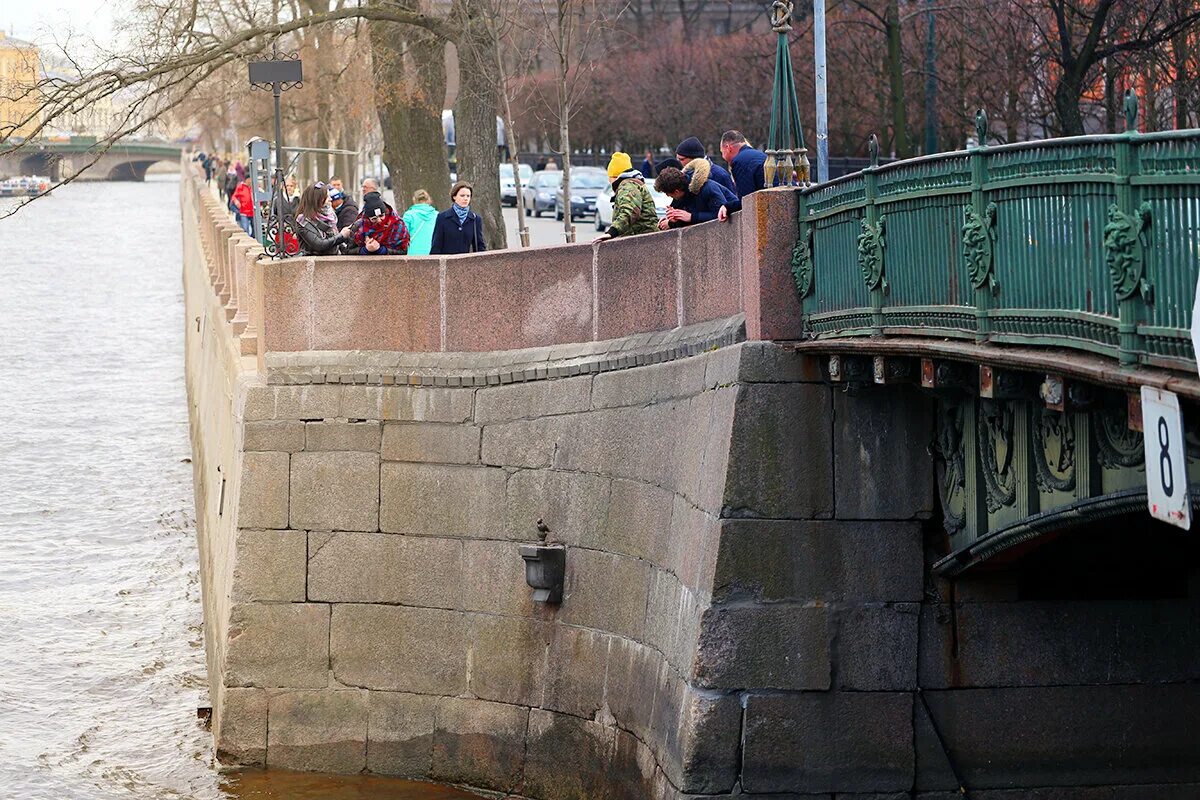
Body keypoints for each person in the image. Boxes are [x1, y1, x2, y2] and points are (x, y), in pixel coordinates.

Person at [595, 152, 658, 241]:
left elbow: (630, 211)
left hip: (642, 240)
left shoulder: (627, 186)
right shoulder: (633, 183)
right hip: (643, 238)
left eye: (609, 177)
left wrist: (612, 232)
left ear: (614, 176)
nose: (609, 181)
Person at [654, 166, 730, 229]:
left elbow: (722, 214)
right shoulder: (682, 192)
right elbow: (685, 218)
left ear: (676, 191)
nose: (668, 196)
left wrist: (692, 217)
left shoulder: (708, 189)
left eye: (668, 194)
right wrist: (672, 220)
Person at [294, 184, 354, 256]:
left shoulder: (330, 215)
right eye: (327, 196)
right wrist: (342, 236)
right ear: (318, 199)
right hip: (313, 263)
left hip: (333, 261)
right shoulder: (303, 220)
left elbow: (336, 242)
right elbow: (319, 245)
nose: (330, 199)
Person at [430, 181, 486, 255]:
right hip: (447, 263)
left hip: (466, 264)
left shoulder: (475, 219)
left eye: (468, 196)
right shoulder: (442, 217)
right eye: (462, 196)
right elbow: (436, 245)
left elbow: (480, 246)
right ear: (454, 196)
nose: (465, 199)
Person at [720, 130, 768, 200]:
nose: (722, 156)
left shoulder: (739, 162)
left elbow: (745, 199)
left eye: (722, 152)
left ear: (728, 148)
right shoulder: (761, 155)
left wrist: (727, 207)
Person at [402, 189, 439, 256]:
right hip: (433, 253)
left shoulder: (408, 215)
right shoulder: (437, 215)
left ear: (414, 199)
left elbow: (403, 236)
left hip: (413, 253)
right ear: (428, 199)